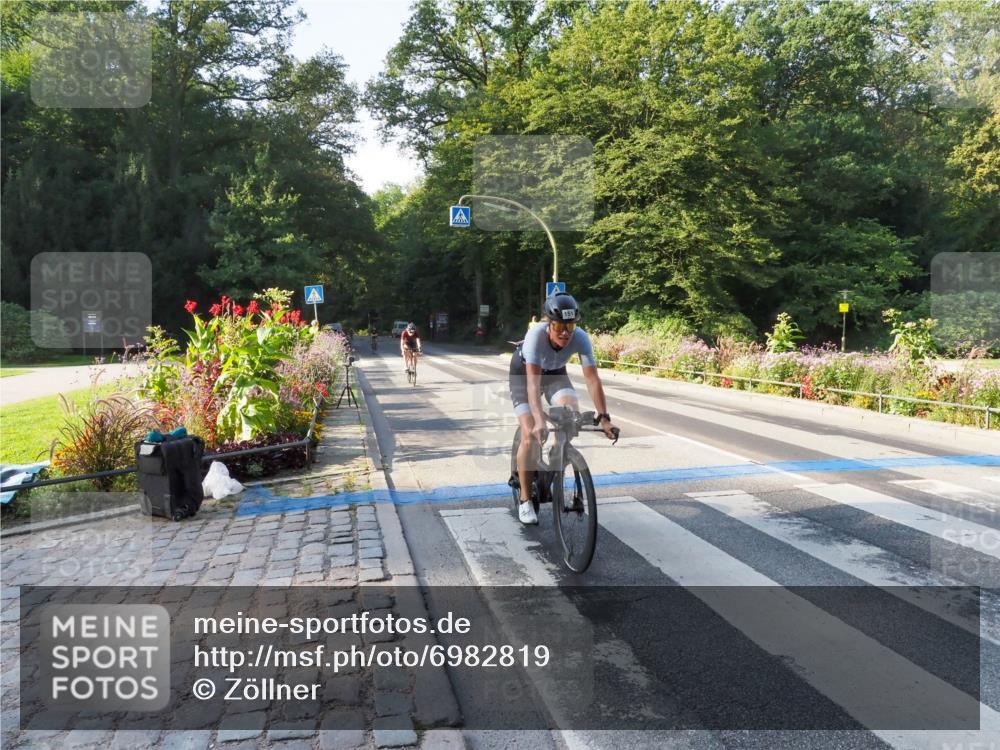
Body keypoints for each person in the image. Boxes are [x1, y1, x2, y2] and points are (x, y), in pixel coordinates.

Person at [509, 293, 619, 525]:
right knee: (529, 432)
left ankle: (556, 457)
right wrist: (539, 419)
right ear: (549, 324)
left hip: (556, 373)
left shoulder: (581, 338)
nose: (565, 332)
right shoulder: (535, 337)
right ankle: (525, 499)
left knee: (571, 416)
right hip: (524, 374)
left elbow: (592, 379)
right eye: (559, 326)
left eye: (570, 325)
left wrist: (604, 417)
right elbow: (533, 384)